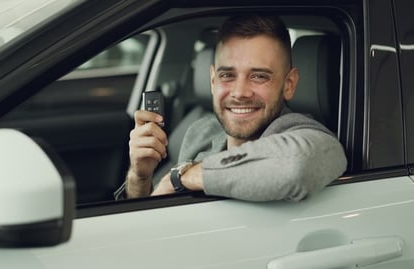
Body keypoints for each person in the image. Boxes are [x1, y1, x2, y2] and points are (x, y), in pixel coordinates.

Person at [114, 14, 347, 202]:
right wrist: (140, 177)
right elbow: (152, 213)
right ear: (213, 81)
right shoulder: (201, 131)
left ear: (289, 84)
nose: (239, 92)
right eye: (227, 75)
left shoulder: (304, 134)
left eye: (258, 76)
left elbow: (298, 165)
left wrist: (180, 177)